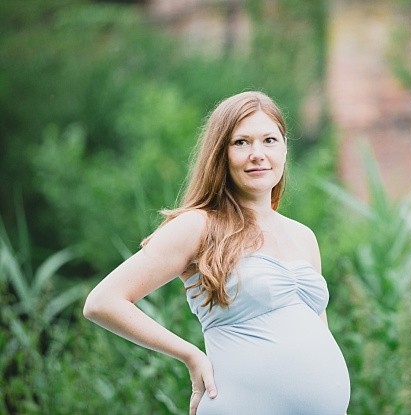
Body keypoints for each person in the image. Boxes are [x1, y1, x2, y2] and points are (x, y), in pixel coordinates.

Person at [83, 91, 351, 415]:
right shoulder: (199, 225)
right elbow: (102, 302)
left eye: (269, 140)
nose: (257, 154)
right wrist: (190, 355)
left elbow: (316, 330)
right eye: (241, 143)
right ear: (221, 154)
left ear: (284, 148)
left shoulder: (303, 236)